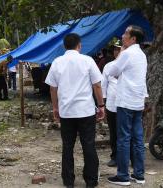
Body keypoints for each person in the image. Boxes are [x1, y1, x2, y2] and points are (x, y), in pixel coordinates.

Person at [45, 33, 105, 188]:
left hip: (67, 112)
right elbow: (97, 85)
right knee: (89, 145)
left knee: (67, 146)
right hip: (85, 111)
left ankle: (68, 180)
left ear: (65, 46)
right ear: (79, 45)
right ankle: (91, 181)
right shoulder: (87, 60)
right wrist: (101, 106)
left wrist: (55, 108)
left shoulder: (57, 62)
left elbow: (53, 88)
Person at [107, 25, 148, 186]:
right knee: (137, 139)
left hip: (125, 101)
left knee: (123, 139)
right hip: (138, 101)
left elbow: (112, 71)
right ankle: (139, 175)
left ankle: (123, 176)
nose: (122, 36)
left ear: (133, 39)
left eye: (125, 34)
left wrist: (121, 54)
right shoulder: (142, 55)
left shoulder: (127, 53)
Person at [101, 42, 122, 167]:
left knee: (127, 133)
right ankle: (114, 156)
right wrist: (102, 104)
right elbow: (103, 86)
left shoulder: (129, 65)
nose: (117, 52)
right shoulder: (108, 66)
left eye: (119, 49)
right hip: (111, 105)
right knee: (113, 132)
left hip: (126, 105)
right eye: (115, 49)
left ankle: (130, 157)